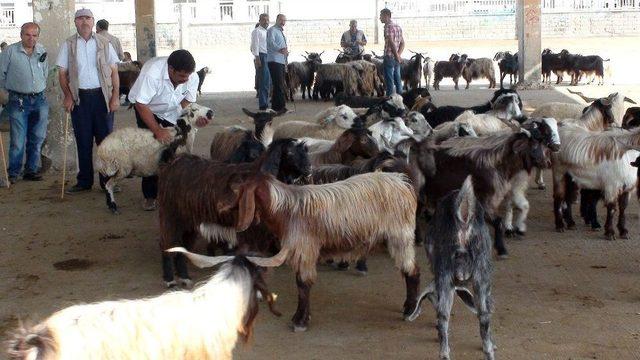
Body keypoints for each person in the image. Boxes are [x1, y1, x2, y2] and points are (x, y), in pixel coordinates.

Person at [127, 49, 210, 211]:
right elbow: (141, 104)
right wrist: (157, 130)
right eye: (181, 77)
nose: (184, 80)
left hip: (173, 110)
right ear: (170, 70)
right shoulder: (152, 73)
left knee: (173, 151)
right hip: (147, 109)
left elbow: (187, 102)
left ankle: (171, 192)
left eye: (187, 77)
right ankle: (150, 196)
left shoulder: (191, 77)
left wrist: (196, 118)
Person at [56, 8, 120, 194]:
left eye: (88, 18)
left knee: (105, 141)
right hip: (80, 98)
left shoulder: (105, 43)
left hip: (102, 97)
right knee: (83, 140)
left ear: (93, 22)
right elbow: (62, 74)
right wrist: (68, 95)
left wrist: (115, 97)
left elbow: (114, 72)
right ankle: (84, 181)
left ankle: (107, 180)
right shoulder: (68, 44)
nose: (84, 22)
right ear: (75, 22)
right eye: (80, 18)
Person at [0, 22, 49, 184]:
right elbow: (1, 74)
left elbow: (45, 72)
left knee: (37, 137)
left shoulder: (42, 50)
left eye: (34, 35)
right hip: (18, 101)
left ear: (38, 36)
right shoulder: (10, 51)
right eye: (27, 35)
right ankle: (13, 172)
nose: (31, 38)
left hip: (40, 100)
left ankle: (31, 170)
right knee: (18, 140)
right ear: (21, 35)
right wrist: (3, 95)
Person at [266, 14, 288, 114]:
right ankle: (280, 107)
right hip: (274, 60)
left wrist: (285, 52)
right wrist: (280, 49)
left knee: (279, 84)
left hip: (281, 60)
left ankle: (276, 107)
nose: (283, 23)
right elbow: (271, 43)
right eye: (282, 20)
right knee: (279, 84)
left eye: (284, 21)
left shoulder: (279, 31)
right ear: (277, 20)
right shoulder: (272, 30)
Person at [379, 8, 404, 95]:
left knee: (389, 80)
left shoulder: (387, 27)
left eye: (381, 16)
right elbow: (402, 43)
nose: (380, 18)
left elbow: (391, 42)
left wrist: (397, 56)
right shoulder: (398, 27)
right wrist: (398, 55)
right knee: (398, 79)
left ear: (387, 16)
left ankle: (389, 100)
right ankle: (400, 99)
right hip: (396, 58)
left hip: (389, 57)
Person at [251, 13, 270, 110]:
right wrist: (257, 58)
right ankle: (263, 105)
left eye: (267, 20)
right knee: (263, 81)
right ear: (260, 21)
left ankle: (266, 102)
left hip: (269, 56)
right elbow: (255, 46)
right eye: (264, 20)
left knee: (268, 81)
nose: (266, 22)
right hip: (261, 57)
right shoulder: (256, 31)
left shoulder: (267, 31)